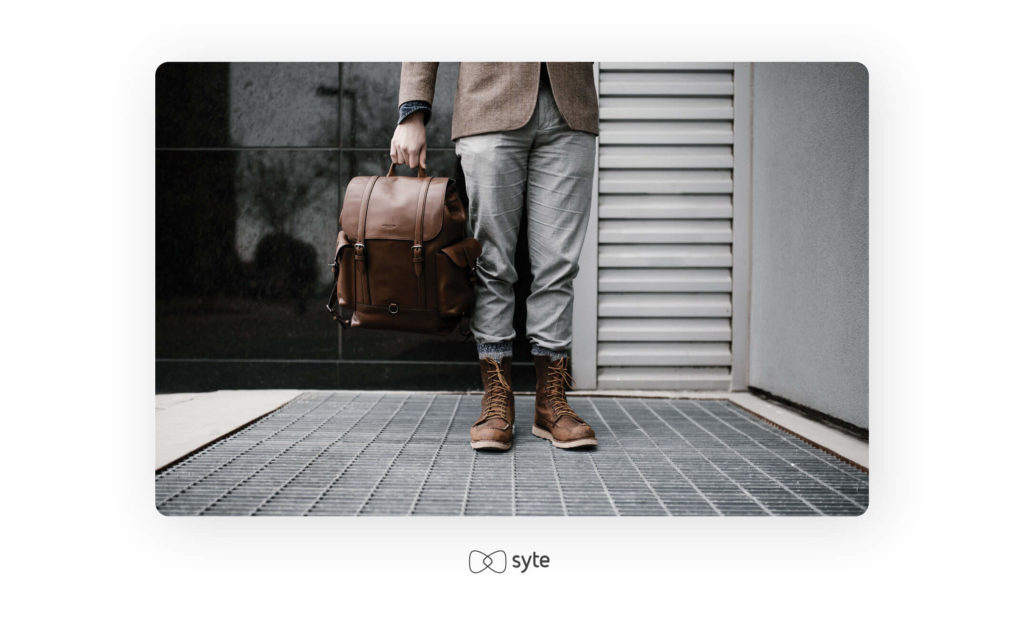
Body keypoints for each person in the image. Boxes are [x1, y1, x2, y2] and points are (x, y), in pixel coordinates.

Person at [391, 62, 599, 452]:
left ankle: (550, 401)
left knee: (559, 266)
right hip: (488, 103)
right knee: (491, 263)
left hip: (571, 104)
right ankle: (496, 397)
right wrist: (413, 111)